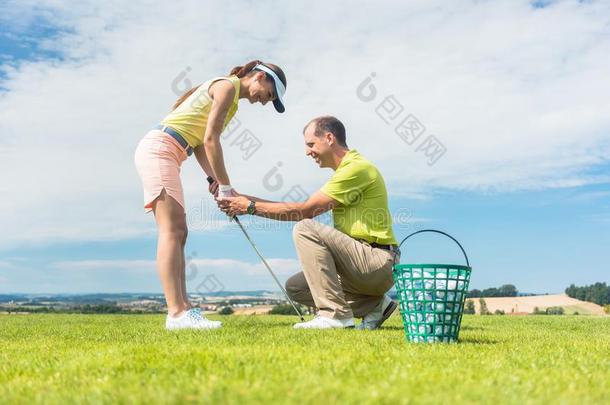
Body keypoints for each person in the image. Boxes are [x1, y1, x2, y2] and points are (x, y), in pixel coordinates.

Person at [134, 60, 287, 330]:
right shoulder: (227, 87)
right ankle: (176, 313)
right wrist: (226, 187)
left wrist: (214, 180)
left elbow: (201, 143)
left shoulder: (233, 100)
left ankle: (185, 310)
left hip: (171, 152)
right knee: (172, 230)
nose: (265, 101)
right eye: (270, 94)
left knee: (179, 232)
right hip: (160, 150)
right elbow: (210, 140)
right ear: (261, 77)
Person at [218, 116, 399, 330]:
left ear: (329, 138)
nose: (307, 152)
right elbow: (301, 208)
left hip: (376, 262)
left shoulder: (357, 168)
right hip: (359, 264)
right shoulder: (345, 172)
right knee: (296, 287)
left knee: (305, 228)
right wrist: (243, 199)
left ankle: (335, 315)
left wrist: (249, 207)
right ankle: (376, 306)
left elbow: (305, 211)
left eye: (311, 144)